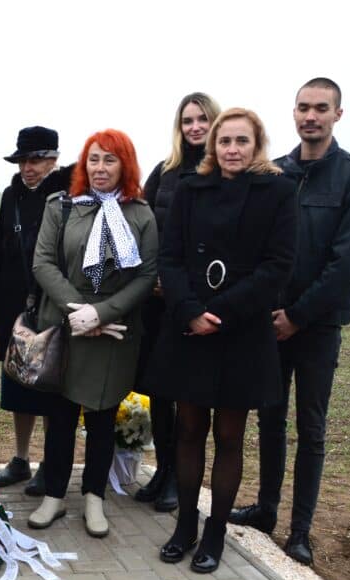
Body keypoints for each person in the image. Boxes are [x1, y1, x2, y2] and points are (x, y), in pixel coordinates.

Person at [229, 78, 350, 566]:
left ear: (337, 114)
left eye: (320, 108)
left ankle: (300, 532)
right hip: (269, 323)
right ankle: (266, 510)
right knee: (269, 419)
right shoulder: (276, 172)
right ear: (293, 113)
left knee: (311, 428)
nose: (310, 116)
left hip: (318, 326)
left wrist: (298, 315)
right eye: (303, 108)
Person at [148, 108, 296, 574]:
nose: (232, 149)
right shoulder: (191, 188)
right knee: (189, 430)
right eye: (225, 141)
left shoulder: (278, 192)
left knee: (230, 436)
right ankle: (185, 525)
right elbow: (170, 257)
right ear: (213, 145)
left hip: (242, 331)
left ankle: (215, 532)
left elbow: (278, 266)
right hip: (191, 328)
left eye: (242, 141)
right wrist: (191, 311)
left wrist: (223, 314)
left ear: (257, 144)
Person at [27, 129, 157, 536]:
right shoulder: (62, 206)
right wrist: (77, 311)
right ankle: (54, 496)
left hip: (114, 329)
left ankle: (94, 498)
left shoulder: (141, 215)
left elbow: (147, 275)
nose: (100, 168)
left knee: (102, 419)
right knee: (60, 418)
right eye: (94, 159)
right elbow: (43, 262)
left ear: (125, 165)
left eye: (110, 160)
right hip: (66, 324)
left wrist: (100, 314)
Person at [134, 92, 221, 512]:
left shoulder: (222, 172)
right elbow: (144, 227)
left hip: (195, 302)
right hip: (157, 301)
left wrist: (182, 288)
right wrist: (151, 278)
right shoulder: (164, 172)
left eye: (202, 119)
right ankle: (163, 468)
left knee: (187, 397)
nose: (195, 127)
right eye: (188, 120)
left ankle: (178, 478)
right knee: (159, 391)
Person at [0, 126, 74, 496]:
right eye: (23, 160)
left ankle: (50, 463)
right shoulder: (11, 195)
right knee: (18, 384)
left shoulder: (70, 195)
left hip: (54, 304)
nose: (28, 168)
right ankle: (20, 458)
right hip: (15, 304)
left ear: (54, 159)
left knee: (52, 386)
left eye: (36, 160)